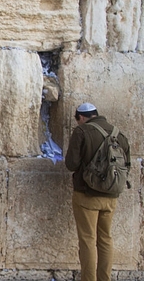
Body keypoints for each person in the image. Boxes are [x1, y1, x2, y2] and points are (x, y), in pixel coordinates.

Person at [65, 102, 130, 281]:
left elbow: (71, 164)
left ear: (81, 117)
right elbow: (127, 164)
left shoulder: (82, 131)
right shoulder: (118, 134)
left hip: (87, 195)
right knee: (106, 239)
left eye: (77, 120)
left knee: (87, 239)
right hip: (111, 197)